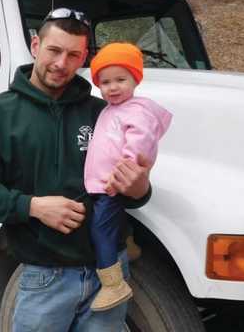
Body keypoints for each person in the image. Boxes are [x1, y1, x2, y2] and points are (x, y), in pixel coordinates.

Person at [0, 8, 152, 332]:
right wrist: (34, 206)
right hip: (46, 278)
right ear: (35, 46)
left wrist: (139, 187)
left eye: (73, 55)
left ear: (84, 57)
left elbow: (129, 194)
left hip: (111, 275)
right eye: (54, 50)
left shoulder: (104, 112)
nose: (62, 64)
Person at [84, 43, 172, 312]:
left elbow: (140, 142)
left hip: (114, 182)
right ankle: (129, 244)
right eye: (105, 82)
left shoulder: (137, 110)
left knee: (100, 228)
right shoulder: (111, 109)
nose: (112, 87)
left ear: (136, 79)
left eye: (120, 80)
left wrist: (125, 171)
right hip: (104, 181)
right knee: (113, 220)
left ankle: (113, 285)